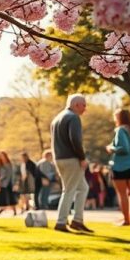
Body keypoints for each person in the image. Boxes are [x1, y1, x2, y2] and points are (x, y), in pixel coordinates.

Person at [51, 94, 92, 233]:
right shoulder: (73, 117)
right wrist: (82, 157)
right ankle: (61, 222)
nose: (85, 108)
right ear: (76, 105)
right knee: (68, 190)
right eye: (84, 105)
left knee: (83, 188)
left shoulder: (57, 118)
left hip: (59, 158)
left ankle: (77, 220)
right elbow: (75, 139)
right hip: (71, 159)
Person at [0, 151, 16, 215]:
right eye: (0, 156)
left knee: (11, 196)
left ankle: (14, 210)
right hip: (2, 183)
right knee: (2, 197)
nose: (2, 157)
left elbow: (12, 174)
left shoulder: (9, 164)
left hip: (9, 182)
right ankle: (1, 209)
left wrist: (13, 183)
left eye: (3, 155)